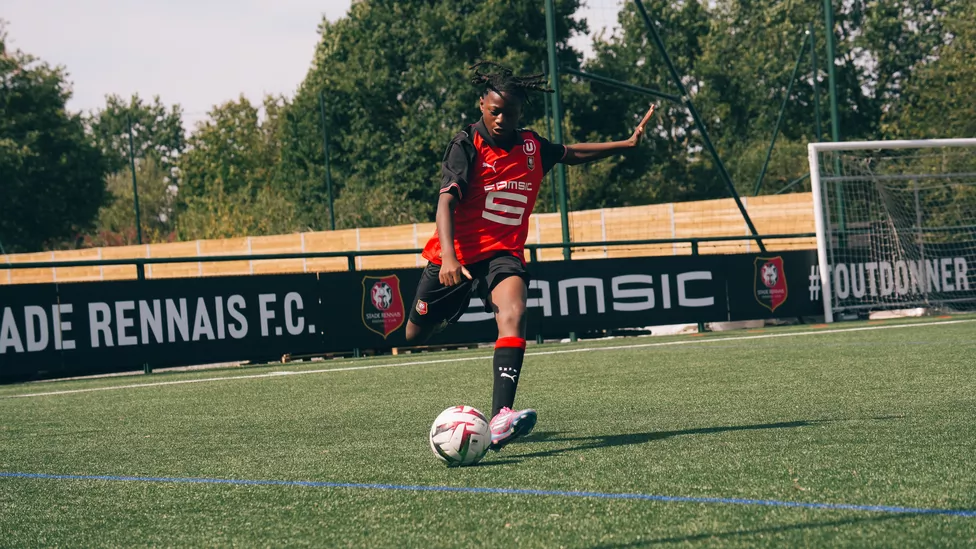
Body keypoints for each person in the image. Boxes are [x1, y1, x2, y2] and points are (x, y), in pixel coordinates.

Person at [405, 61, 656, 451]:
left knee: (515, 312)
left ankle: (501, 418)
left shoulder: (531, 146)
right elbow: (445, 203)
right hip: (454, 257)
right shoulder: (466, 145)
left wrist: (625, 144)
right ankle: (443, 314)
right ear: (481, 106)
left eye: (511, 112)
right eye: (495, 111)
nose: (503, 119)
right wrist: (450, 259)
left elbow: (570, 152)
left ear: (522, 113)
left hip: (502, 254)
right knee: (414, 333)